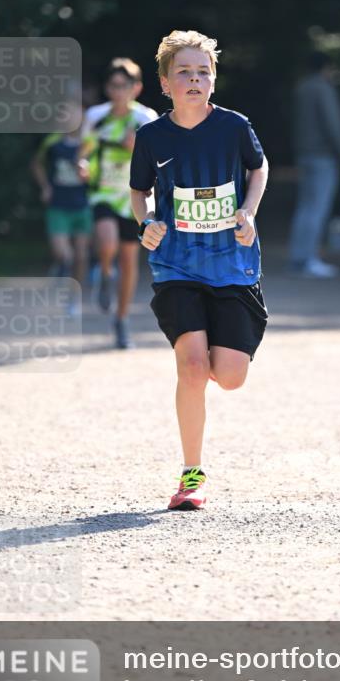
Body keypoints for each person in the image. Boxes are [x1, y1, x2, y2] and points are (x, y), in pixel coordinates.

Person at [130, 30, 269, 511]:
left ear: (213, 80)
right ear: (165, 83)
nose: (195, 79)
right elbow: (139, 193)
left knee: (228, 376)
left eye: (203, 71)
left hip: (231, 264)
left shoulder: (233, 126)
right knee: (191, 367)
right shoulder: (150, 136)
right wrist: (146, 221)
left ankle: (215, 349)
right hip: (176, 265)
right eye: (184, 72)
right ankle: (191, 476)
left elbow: (259, 167)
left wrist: (249, 212)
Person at [81, 58, 158, 349]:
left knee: (129, 260)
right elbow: (84, 149)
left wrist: (136, 148)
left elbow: (158, 160)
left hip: (133, 196)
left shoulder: (146, 119)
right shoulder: (96, 116)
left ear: (136, 88)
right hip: (102, 192)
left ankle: (122, 319)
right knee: (107, 240)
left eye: (124, 86)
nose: (118, 92)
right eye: (113, 86)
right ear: (107, 88)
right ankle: (103, 272)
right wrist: (83, 164)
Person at [288, 50, 340, 278]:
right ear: (327, 67)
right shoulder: (323, 89)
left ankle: (298, 257)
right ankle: (309, 259)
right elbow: (332, 124)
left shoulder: (301, 88)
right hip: (323, 156)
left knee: (304, 207)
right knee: (318, 208)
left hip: (304, 154)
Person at [31, 113, 92, 313]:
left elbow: (100, 168)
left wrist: (90, 174)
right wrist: (45, 187)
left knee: (81, 256)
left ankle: (74, 298)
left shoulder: (89, 142)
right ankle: (60, 270)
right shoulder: (53, 141)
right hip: (58, 205)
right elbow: (36, 163)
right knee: (63, 254)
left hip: (83, 205)